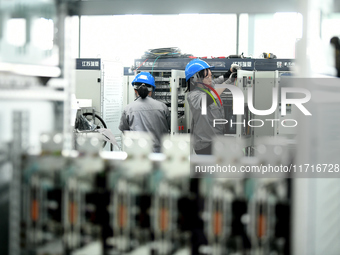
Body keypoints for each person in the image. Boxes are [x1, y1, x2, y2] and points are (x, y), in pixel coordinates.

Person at [185, 59, 240, 155]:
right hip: (205, 145)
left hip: (217, 141)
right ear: (195, 79)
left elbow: (220, 79)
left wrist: (230, 71)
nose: (210, 79)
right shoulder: (193, 96)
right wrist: (228, 82)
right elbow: (208, 99)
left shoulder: (209, 85)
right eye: (207, 77)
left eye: (211, 76)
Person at [119, 72, 170, 153]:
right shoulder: (163, 107)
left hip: (138, 155)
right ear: (152, 89)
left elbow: (125, 131)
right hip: (159, 154)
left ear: (135, 90)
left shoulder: (128, 109)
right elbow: (169, 128)